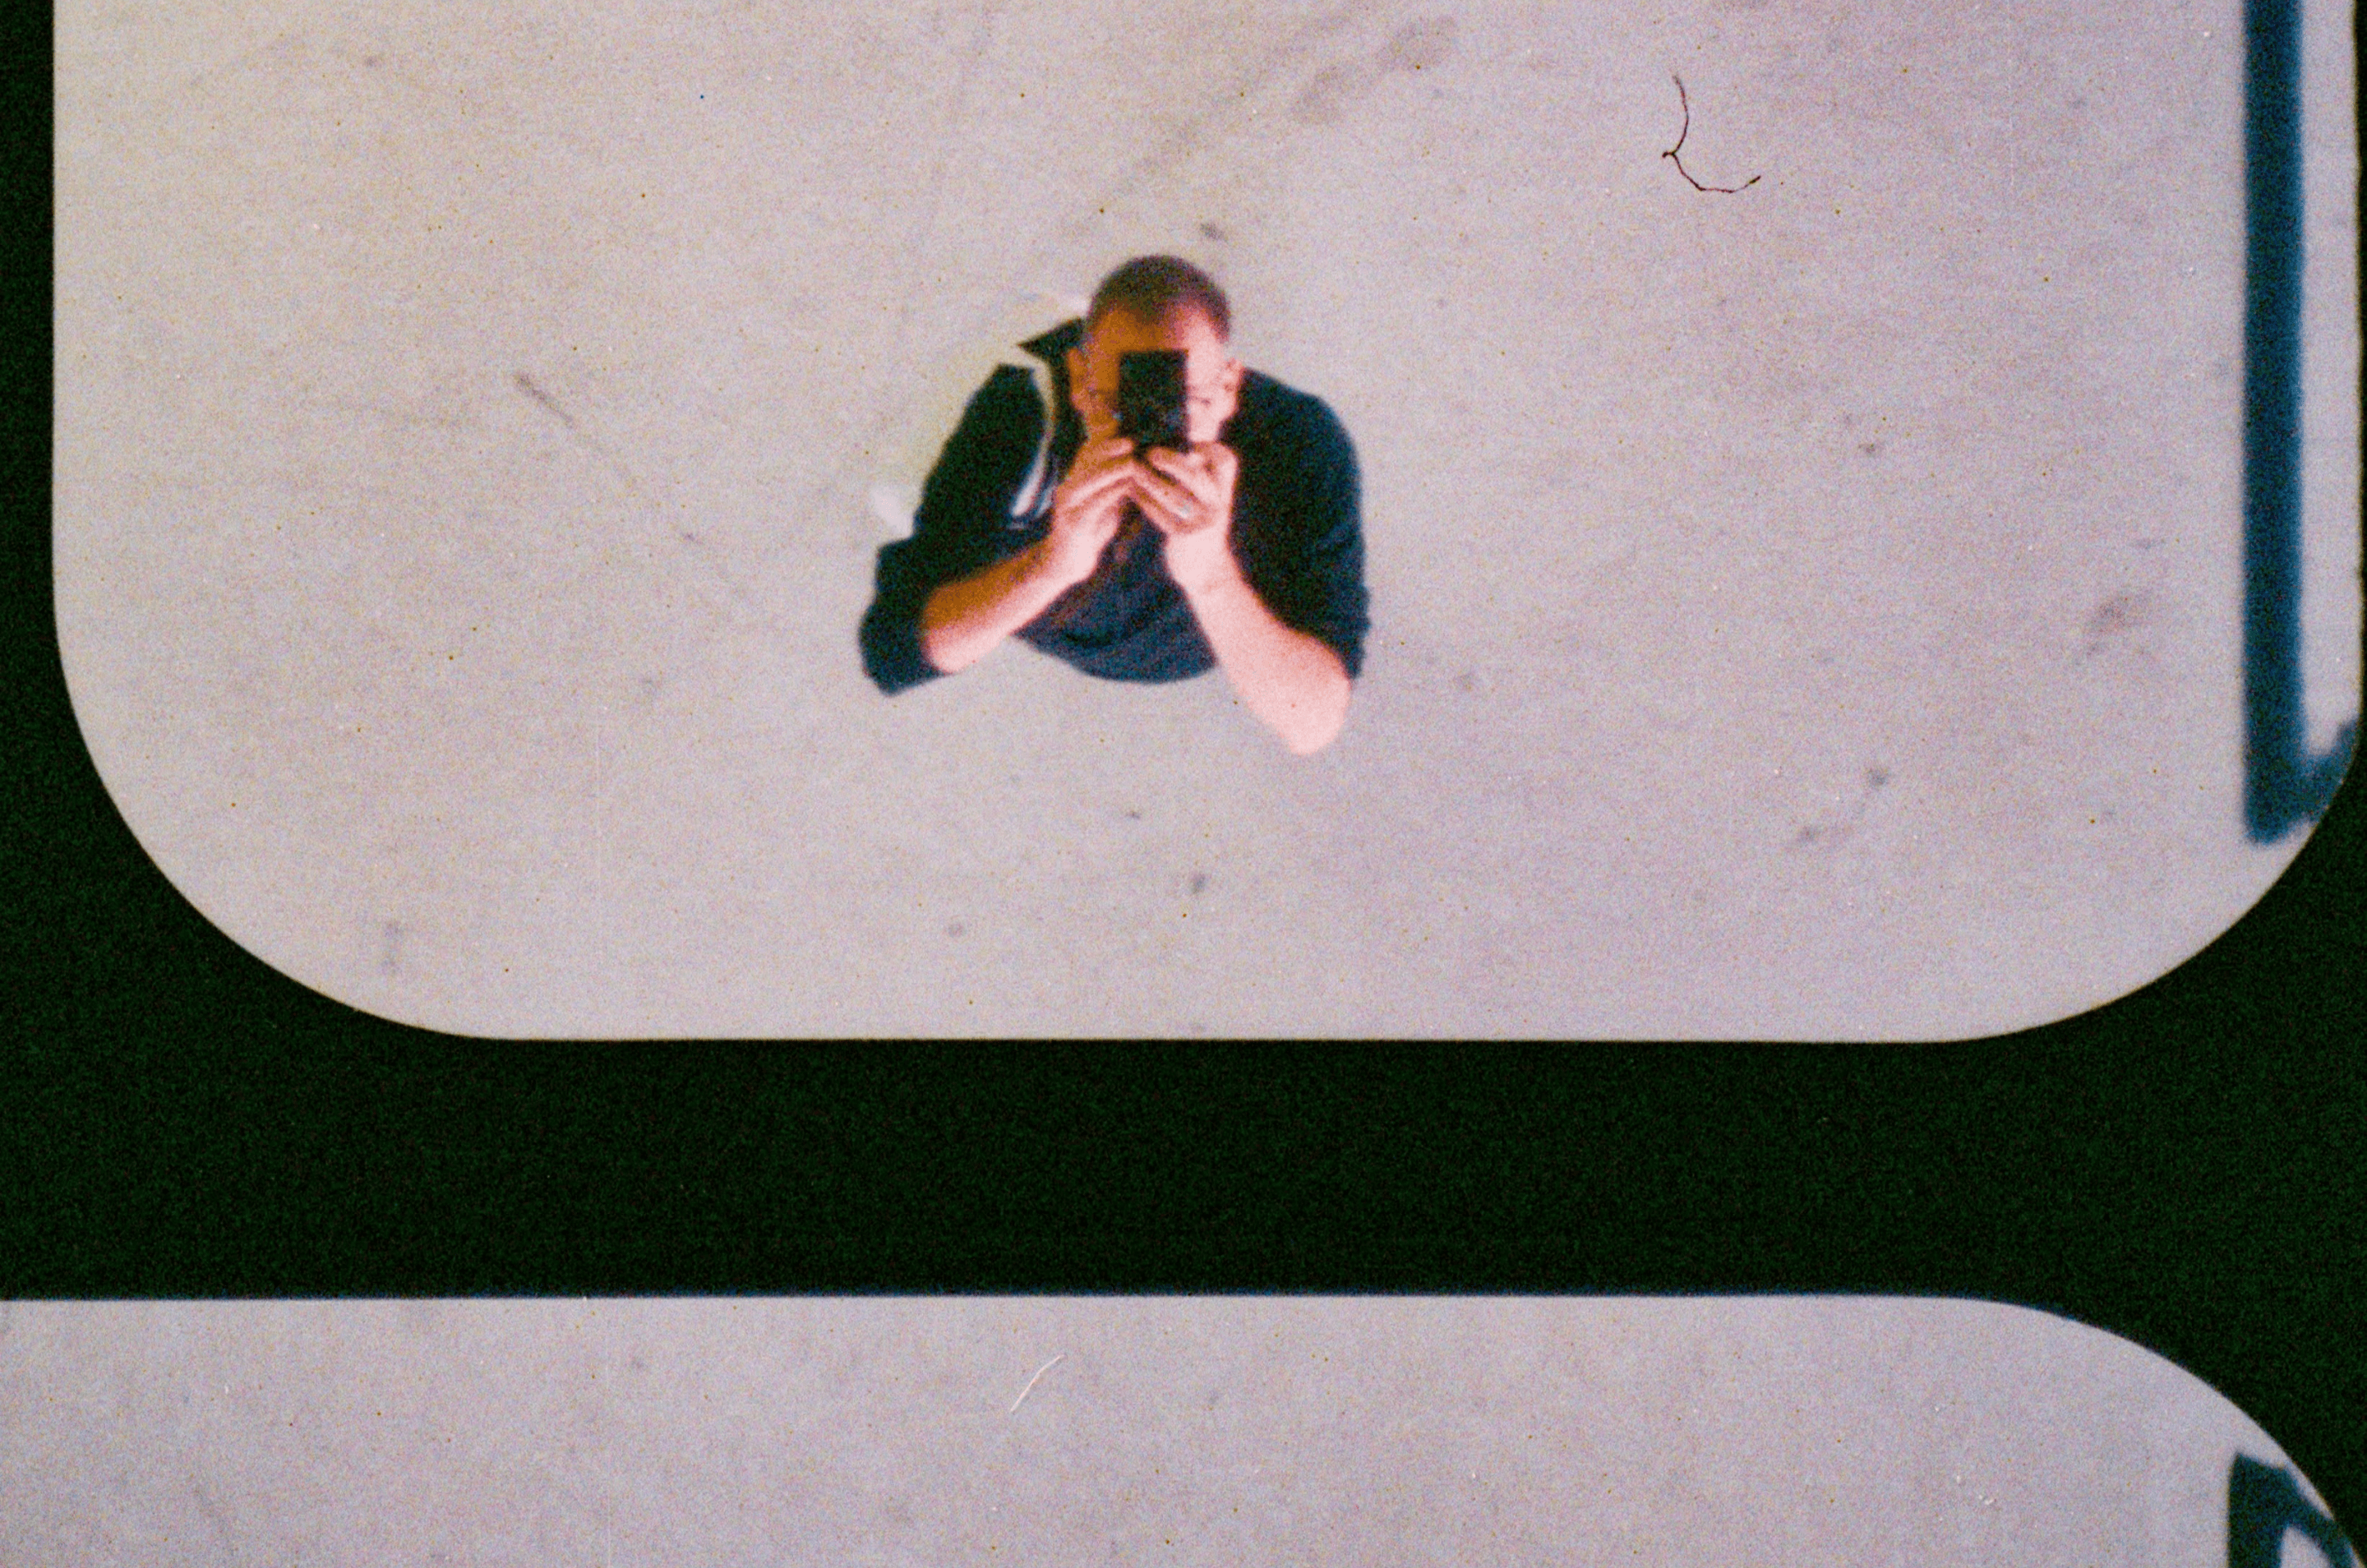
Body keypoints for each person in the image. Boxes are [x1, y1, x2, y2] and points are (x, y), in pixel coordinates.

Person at [859, 256, 1368, 754]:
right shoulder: (1021, 415)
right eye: (1120, 403)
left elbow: (1315, 724)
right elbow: (893, 651)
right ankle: (1048, 323)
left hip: (1196, 640)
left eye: (1180, 403)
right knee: (912, 492)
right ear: (1078, 382)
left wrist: (1212, 575)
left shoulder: (1299, 440)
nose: (1150, 433)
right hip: (1044, 586)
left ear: (1231, 387)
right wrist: (1052, 565)